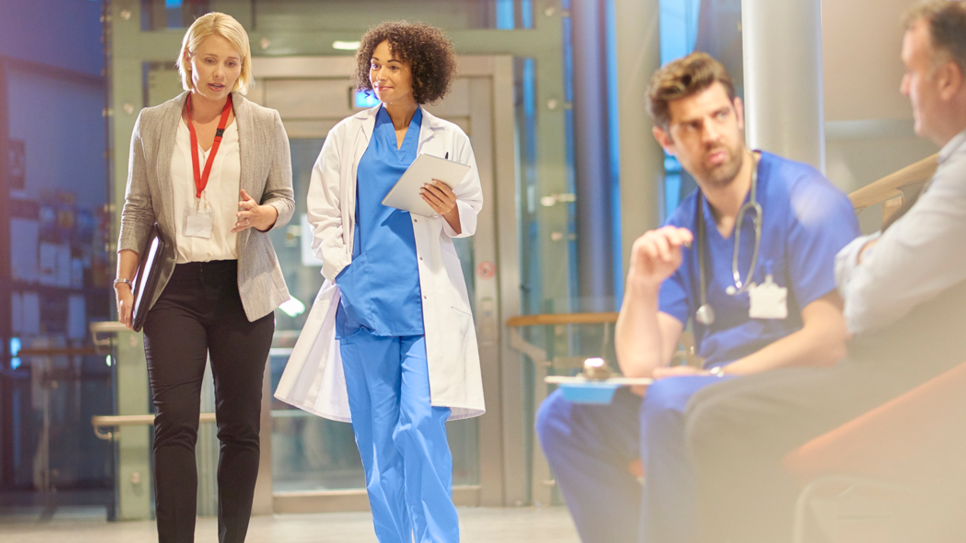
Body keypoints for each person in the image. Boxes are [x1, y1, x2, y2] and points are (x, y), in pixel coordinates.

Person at [535, 52, 861, 543]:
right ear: (666, 140)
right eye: (690, 126)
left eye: (719, 116)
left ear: (739, 113)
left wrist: (714, 378)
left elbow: (831, 338)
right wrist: (641, 283)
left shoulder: (805, 200)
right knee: (562, 417)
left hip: (794, 393)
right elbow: (644, 364)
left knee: (671, 399)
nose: (711, 135)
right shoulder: (683, 227)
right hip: (705, 397)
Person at [685, 2, 966, 541]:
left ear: (948, 79)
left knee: (718, 419)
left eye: (910, 71)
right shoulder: (689, 224)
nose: (904, 87)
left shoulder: (952, 181)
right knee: (705, 407)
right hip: (903, 369)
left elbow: (862, 302)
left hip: (915, 383)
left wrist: (863, 259)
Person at [274, 21, 484, 543]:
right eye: (376, 64)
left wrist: (452, 209)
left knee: (420, 428)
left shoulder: (448, 138)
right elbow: (322, 214)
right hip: (362, 307)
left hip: (423, 310)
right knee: (379, 450)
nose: (381, 74)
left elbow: (471, 213)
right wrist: (343, 272)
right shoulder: (348, 136)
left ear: (420, 73)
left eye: (394, 65)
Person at [114, 12, 294, 543]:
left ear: (243, 67)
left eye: (231, 62)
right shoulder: (153, 121)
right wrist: (123, 283)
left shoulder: (264, 122)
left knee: (240, 429)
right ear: (187, 59)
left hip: (243, 287)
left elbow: (284, 197)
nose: (219, 73)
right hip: (174, 288)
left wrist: (265, 215)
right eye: (209, 59)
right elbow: (137, 208)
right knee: (175, 424)